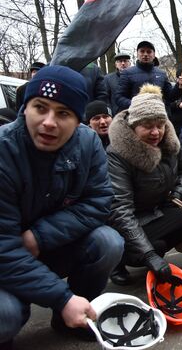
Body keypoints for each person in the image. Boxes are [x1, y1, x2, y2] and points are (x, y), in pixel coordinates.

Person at [0, 65, 124, 347]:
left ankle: (68, 319)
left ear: (78, 119)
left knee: (108, 242)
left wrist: (40, 236)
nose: (48, 122)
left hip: (46, 247)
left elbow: (99, 201)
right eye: (40, 107)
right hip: (6, 258)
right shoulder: (4, 151)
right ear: (25, 107)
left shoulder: (88, 141)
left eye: (63, 113)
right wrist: (62, 297)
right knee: (6, 315)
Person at [107, 84, 182, 286]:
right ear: (133, 126)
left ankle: (150, 248)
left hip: (154, 210)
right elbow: (120, 210)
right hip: (124, 221)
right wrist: (149, 255)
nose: (156, 132)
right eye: (147, 126)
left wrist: (179, 194)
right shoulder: (116, 155)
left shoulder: (168, 143)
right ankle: (119, 261)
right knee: (148, 247)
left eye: (160, 125)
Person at [115, 41, 182, 114]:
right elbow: (119, 98)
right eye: (142, 51)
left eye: (149, 52)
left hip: (159, 117)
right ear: (137, 54)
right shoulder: (127, 73)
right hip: (137, 117)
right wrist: (136, 105)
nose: (145, 54)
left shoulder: (162, 74)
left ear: (154, 55)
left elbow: (170, 97)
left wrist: (179, 86)